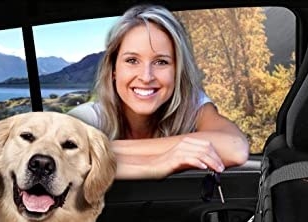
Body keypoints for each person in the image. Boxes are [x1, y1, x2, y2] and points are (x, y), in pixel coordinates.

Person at [69, 5, 249, 179]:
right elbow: (59, 159)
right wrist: (155, 165)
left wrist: (103, 150)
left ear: (177, 70)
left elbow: (235, 148)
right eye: (132, 60)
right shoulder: (89, 116)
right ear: (113, 70)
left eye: (161, 62)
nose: (146, 77)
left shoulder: (192, 104)